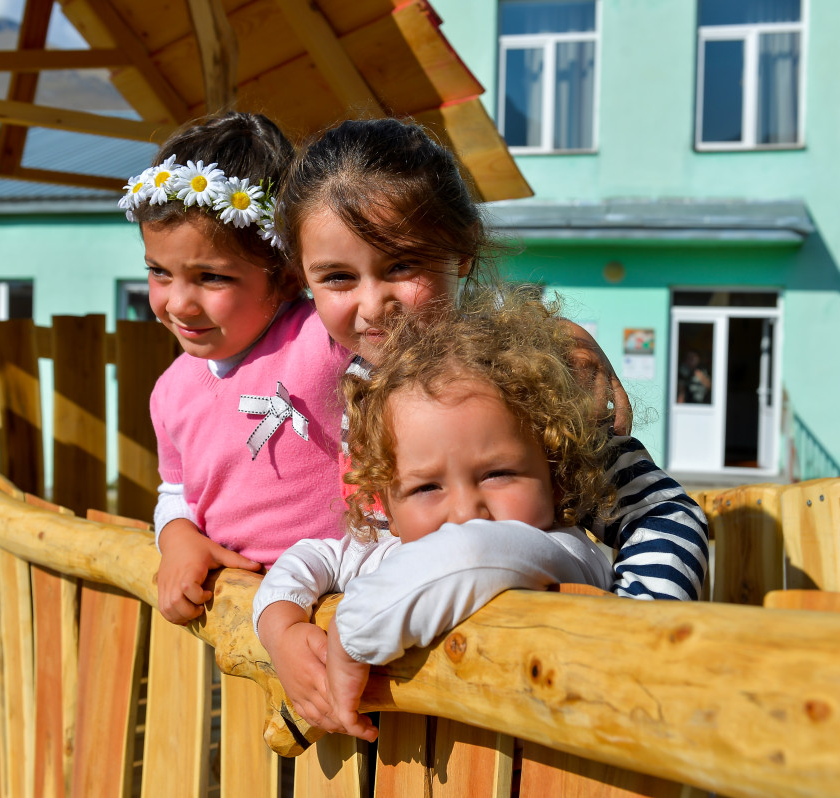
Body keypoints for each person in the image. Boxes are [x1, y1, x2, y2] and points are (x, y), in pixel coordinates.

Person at [279, 117, 707, 599]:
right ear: (302, 279)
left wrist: (639, 618)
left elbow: (659, 512)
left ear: (463, 250)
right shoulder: (354, 376)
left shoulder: (519, 377)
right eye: (337, 277)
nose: (374, 305)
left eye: (402, 264)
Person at [253, 292, 616, 741]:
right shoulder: (382, 552)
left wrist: (352, 633)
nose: (465, 511)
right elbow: (309, 557)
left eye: (498, 474)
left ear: (555, 476)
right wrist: (282, 630)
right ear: (386, 503)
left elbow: (471, 556)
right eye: (426, 487)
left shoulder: (564, 552)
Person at [119, 112, 351, 625]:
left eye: (211, 277)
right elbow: (175, 491)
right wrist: (177, 535)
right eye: (159, 272)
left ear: (287, 275)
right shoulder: (171, 391)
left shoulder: (324, 340)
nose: (178, 303)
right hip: (238, 616)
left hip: (340, 610)